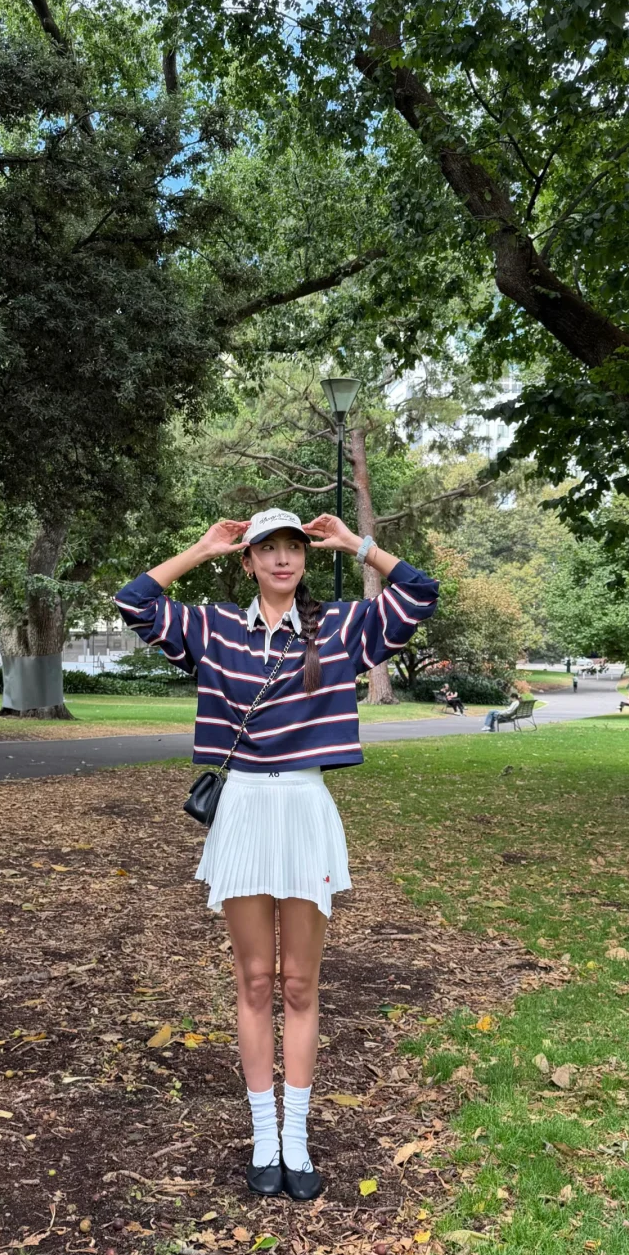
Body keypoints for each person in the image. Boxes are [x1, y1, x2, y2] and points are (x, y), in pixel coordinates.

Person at [114, 508, 439, 1203]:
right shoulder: (215, 629)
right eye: (268, 549)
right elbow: (136, 601)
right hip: (243, 809)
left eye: (293, 547)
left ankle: (297, 1134)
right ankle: (265, 1133)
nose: (283, 559)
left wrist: (357, 544)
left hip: (303, 807)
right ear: (249, 561)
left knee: (299, 984)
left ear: (305, 557)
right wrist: (201, 548)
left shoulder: (341, 627)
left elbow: (419, 593)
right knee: (255, 980)